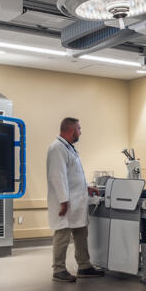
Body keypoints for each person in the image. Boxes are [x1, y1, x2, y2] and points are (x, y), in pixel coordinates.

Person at [46, 117, 102, 282]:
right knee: (62, 234)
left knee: (81, 233)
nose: (80, 132)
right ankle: (58, 269)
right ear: (71, 130)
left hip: (77, 202)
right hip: (66, 202)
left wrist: (86, 187)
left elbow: (73, 175)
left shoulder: (69, 148)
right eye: (79, 128)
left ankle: (84, 266)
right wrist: (63, 201)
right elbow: (58, 176)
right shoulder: (57, 148)